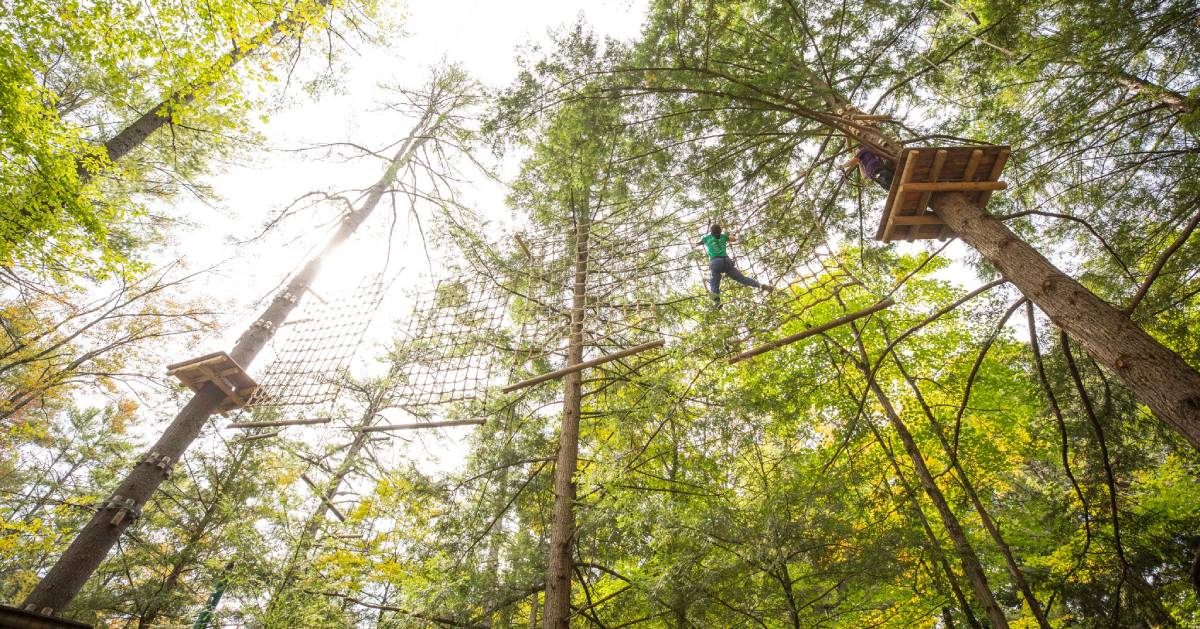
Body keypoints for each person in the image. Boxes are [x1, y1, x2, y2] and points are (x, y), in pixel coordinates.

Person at [698, 224, 772, 307]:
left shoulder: (707, 238)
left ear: (711, 232)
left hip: (716, 262)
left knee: (713, 283)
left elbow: (698, 243)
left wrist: (699, 242)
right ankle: (760, 285)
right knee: (742, 278)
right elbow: (733, 239)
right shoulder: (723, 236)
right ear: (720, 231)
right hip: (727, 262)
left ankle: (717, 302)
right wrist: (731, 234)